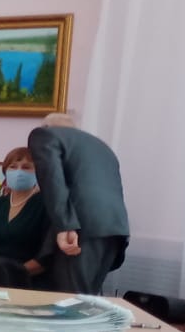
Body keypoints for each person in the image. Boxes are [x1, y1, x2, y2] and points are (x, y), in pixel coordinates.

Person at [27, 112, 129, 294]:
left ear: (46, 127)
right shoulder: (102, 147)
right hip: (115, 227)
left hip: (82, 223)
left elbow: (52, 179)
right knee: (88, 297)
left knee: (71, 299)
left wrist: (64, 226)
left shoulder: (44, 135)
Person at [0, 147, 50, 282]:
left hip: (31, 281)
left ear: (39, 172)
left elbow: (46, 256)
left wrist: (13, 273)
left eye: (26, 167)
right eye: (13, 167)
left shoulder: (47, 205)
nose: (18, 172)